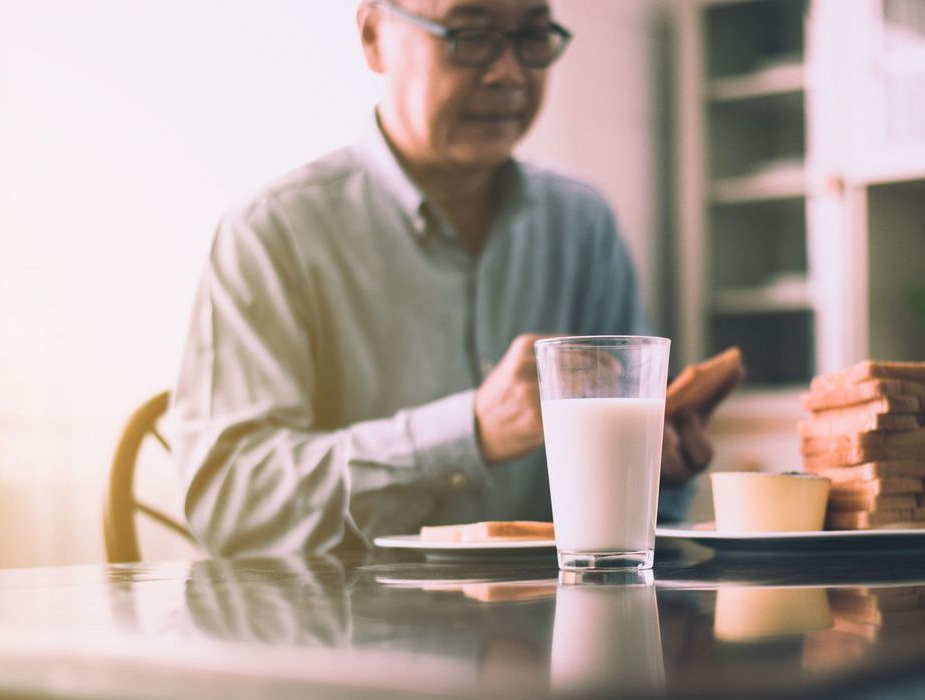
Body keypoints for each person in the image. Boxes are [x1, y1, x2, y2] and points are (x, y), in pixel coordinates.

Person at [172, 0, 742, 556]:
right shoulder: (275, 232)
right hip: (351, 640)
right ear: (373, 36)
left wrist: (658, 467)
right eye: (469, 34)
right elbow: (230, 501)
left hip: (555, 639)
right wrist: (467, 432)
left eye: (533, 36)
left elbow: (635, 523)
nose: (508, 73)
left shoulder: (582, 226)